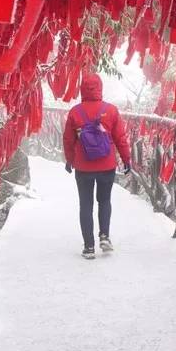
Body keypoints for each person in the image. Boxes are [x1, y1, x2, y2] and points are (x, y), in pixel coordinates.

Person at [62, 73, 131, 260]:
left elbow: (68, 140)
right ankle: (104, 236)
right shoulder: (111, 110)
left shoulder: (75, 112)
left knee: (85, 205)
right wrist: (126, 159)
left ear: (81, 88)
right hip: (106, 165)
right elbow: (120, 138)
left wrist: (70, 160)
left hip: (83, 168)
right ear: (100, 87)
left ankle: (89, 247)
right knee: (105, 201)